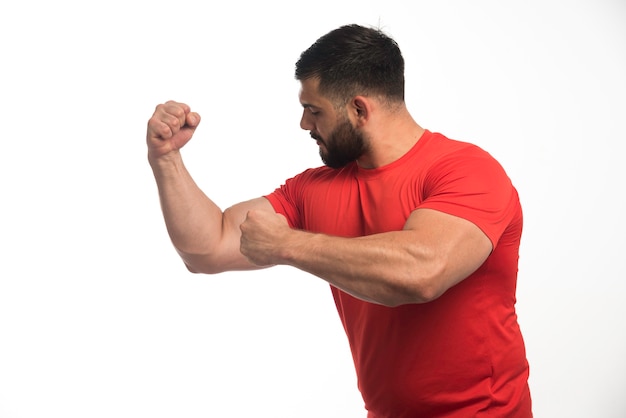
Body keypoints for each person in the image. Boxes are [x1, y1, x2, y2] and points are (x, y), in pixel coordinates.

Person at [146, 24, 532, 418]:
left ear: (359, 110)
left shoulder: (466, 171)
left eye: (314, 111)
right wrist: (166, 159)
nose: (304, 125)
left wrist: (288, 244)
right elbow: (207, 249)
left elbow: (422, 272)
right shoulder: (313, 189)